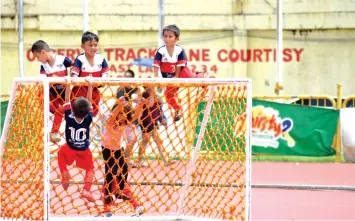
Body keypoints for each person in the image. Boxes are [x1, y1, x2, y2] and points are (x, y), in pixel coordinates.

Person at [100, 97, 144, 217]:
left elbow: (135, 116)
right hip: (107, 149)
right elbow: (114, 115)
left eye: (124, 115)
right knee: (111, 172)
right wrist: (119, 105)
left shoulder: (125, 123)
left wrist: (140, 106)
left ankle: (119, 191)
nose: (122, 116)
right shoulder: (111, 121)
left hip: (118, 149)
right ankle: (107, 205)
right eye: (120, 114)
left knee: (124, 168)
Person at [57, 77, 95, 202]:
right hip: (84, 149)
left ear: (73, 108)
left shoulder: (69, 117)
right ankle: (86, 189)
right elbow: (89, 102)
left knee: (60, 154)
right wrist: (90, 85)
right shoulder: (89, 118)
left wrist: (68, 84)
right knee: (90, 168)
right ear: (87, 110)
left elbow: (67, 100)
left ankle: (64, 172)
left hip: (70, 147)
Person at [31, 40, 73, 143]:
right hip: (52, 95)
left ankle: (58, 134)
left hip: (65, 94)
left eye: (37, 57)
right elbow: (42, 76)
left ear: (43, 52)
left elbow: (75, 65)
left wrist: (70, 75)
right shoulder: (43, 65)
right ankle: (47, 129)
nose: (38, 60)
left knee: (65, 112)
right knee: (54, 107)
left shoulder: (62, 60)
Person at [71, 31, 110, 117]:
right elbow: (74, 76)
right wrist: (81, 80)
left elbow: (106, 74)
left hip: (94, 91)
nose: (93, 48)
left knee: (92, 115)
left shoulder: (101, 58)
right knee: (77, 116)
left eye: (95, 45)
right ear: (83, 46)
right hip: (79, 92)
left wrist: (103, 80)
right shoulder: (80, 59)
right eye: (90, 45)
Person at [134, 87, 170, 168]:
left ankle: (166, 160)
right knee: (145, 141)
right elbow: (148, 105)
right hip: (146, 121)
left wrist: (163, 120)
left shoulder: (156, 96)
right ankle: (140, 161)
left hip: (153, 122)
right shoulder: (145, 94)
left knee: (158, 142)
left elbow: (160, 109)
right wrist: (152, 97)